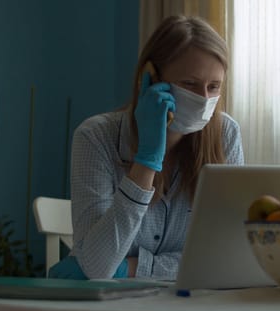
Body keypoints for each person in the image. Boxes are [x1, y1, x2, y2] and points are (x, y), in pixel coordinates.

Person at [49, 15, 244, 280]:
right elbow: (98, 267)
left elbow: (225, 257)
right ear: (150, 79)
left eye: (213, 86)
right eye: (189, 84)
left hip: (190, 306)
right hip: (116, 310)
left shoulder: (226, 134)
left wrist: (132, 268)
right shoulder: (96, 136)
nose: (203, 99)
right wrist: (147, 160)